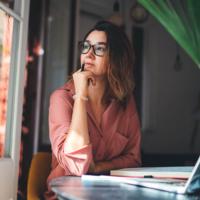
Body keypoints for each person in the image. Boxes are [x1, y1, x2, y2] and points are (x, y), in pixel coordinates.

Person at [45, 21, 141, 199]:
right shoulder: (61, 99)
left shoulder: (125, 102)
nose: (88, 54)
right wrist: (80, 95)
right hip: (67, 196)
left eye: (99, 49)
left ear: (116, 57)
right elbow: (77, 166)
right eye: (86, 46)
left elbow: (134, 159)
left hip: (112, 194)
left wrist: (98, 167)